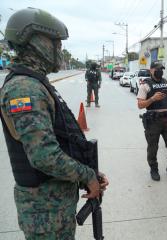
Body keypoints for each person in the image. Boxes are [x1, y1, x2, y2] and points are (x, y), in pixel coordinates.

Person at [0, 8, 109, 239]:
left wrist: (92, 173)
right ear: (35, 41)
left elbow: (61, 139)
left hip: (54, 208)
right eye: (56, 43)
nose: (59, 50)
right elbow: (44, 156)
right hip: (45, 213)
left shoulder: (37, 83)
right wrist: (86, 175)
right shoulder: (24, 88)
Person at [137, 61, 167, 181]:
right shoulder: (145, 85)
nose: (160, 71)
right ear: (151, 70)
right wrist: (152, 98)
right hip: (153, 121)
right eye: (157, 69)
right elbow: (140, 105)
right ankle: (154, 169)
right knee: (153, 147)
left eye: (161, 68)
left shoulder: (166, 83)